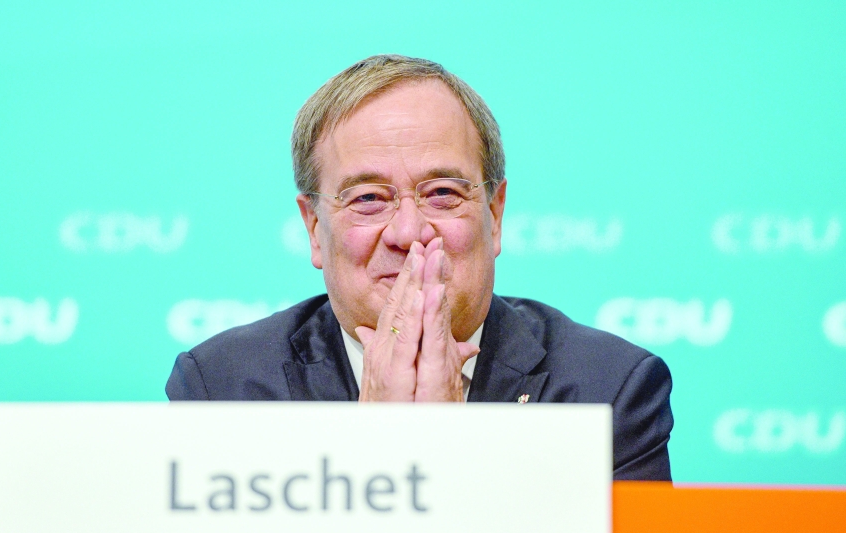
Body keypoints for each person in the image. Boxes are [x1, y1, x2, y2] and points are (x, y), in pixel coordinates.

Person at [166, 55, 674, 481]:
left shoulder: (609, 389)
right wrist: (378, 450)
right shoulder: (224, 390)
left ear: (494, 216)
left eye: (442, 194)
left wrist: (445, 450)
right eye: (367, 198)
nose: (409, 231)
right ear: (313, 228)